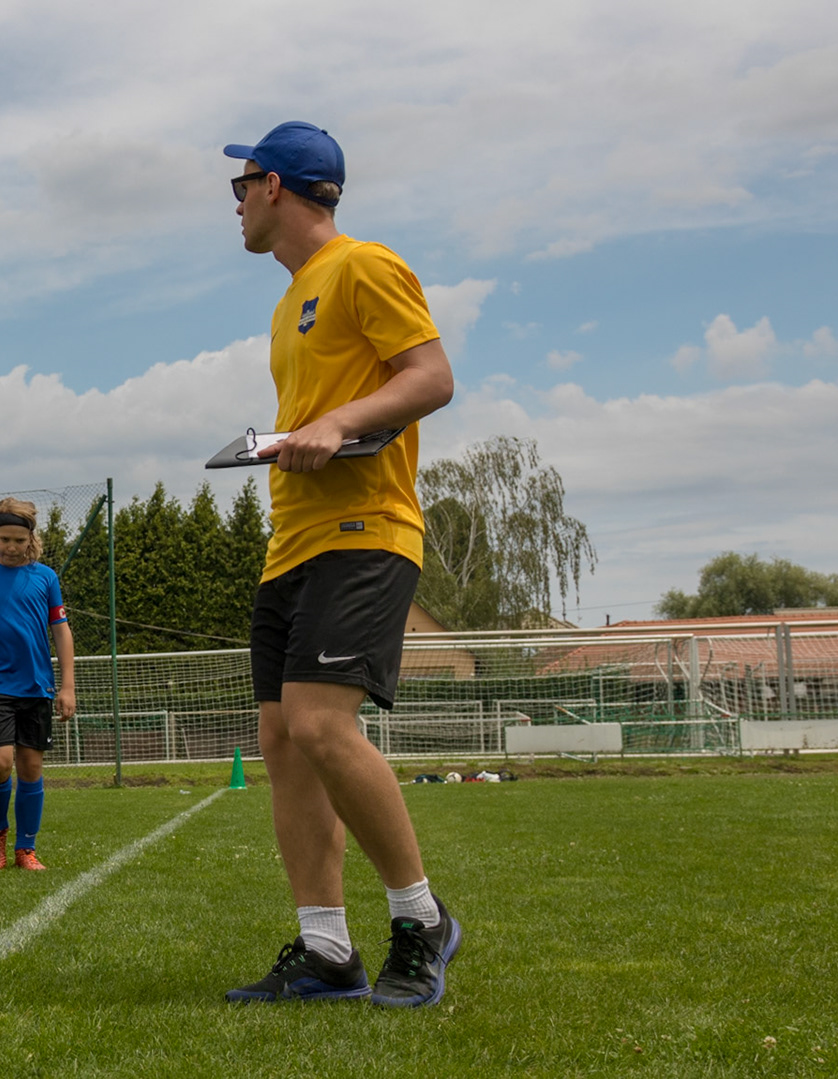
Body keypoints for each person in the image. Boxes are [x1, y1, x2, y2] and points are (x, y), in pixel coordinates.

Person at [217, 121, 462, 1008]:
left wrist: (337, 424)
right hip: (294, 545)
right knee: (283, 741)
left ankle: (421, 917)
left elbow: (430, 376)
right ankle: (326, 950)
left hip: (367, 531)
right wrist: (291, 438)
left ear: (275, 185)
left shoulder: (365, 265)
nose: (236, 205)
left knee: (323, 726)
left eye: (240, 187)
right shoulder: (290, 303)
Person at [0, 499, 75, 871]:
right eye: (4, 539)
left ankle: (26, 849)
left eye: (18, 540)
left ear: (30, 540)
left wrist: (67, 686)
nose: (10, 547)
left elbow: (61, 631)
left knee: (31, 769)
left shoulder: (45, 578)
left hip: (37, 687)